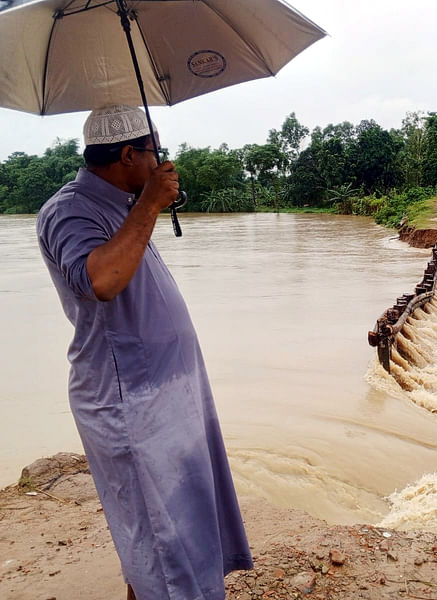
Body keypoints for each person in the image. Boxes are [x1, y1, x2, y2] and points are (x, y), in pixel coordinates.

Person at [36, 105, 253, 600]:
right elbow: (102, 279)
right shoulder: (69, 209)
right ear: (129, 154)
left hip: (166, 393)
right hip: (129, 401)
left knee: (176, 528)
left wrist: (146, 203)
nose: (162, 161)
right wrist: (151, 203)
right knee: (159, 534)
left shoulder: (122, 200)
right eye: (156, 150)